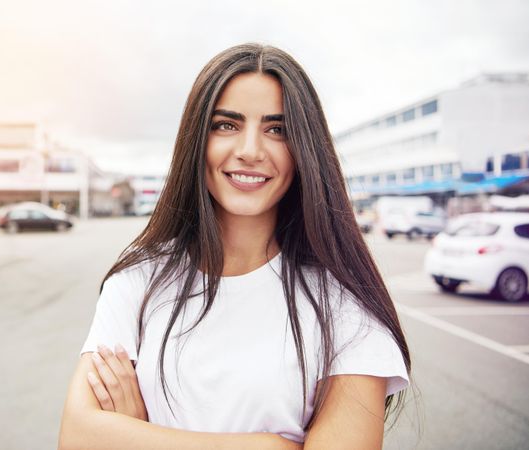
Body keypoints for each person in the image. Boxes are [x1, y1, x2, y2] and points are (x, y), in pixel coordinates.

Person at [57, 43, 411, 450]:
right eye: (227, 124)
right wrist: (270, 446)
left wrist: (137, 435)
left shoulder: (345, 306)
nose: (249, 151)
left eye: (277, 129)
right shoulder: (138, 279)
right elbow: (78, 437)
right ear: (197, 140)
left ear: (304, 151)